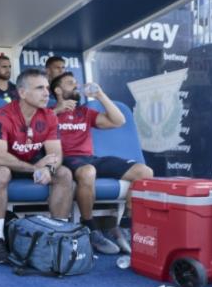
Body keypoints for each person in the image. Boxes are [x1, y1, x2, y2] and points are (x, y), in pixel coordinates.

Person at [0, 69, 73, 264]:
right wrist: (35, 168)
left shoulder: (49, 116)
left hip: (29, 162)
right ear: (22, 93)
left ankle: (58, 235)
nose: (47, 93)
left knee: (64, 174)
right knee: (0, 174)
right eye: (39, 88)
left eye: (47, 88)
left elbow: (56, 154)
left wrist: (49, 169)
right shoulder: (2, 115)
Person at [50, 72, 153, 254]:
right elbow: (32, 126)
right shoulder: (48, 113)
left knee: (144, 172)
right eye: (70, 83)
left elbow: (119, 120)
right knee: (88, 171)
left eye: (76, 83)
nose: (76, 86)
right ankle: (90, 225)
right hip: (65, 160)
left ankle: (124, 225)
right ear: (58, 90)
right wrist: (57, 111)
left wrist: (99, 95)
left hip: (90, 158)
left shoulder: (84, 112)